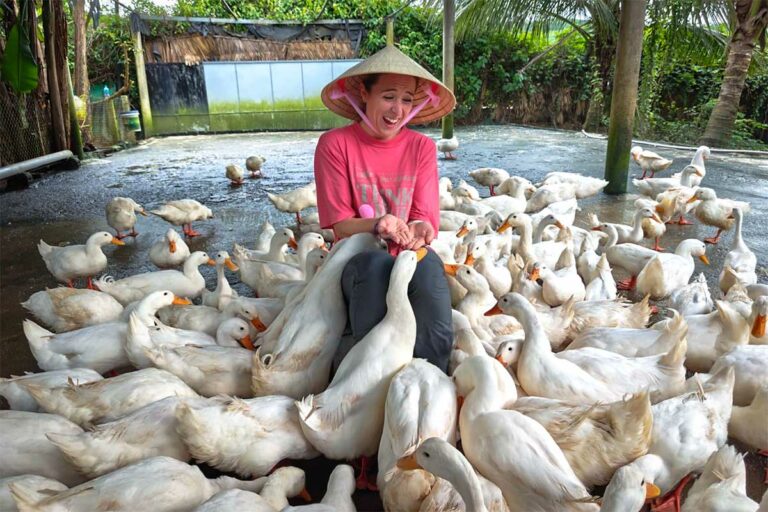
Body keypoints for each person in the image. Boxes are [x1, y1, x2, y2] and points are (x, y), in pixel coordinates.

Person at [314, 44, 456, 373]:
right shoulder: (335, 145)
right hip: (357, 256)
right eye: (389, 96)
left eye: (407, 100)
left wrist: (421, 229)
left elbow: (424, 218)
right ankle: (375, 381)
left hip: (408, 251)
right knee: (376, 269)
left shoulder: (422, 147)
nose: (397, 110)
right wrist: (378, 223)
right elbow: (339, 227)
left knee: (432, 285)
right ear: (364, 92)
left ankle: (427, 383)